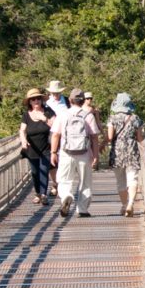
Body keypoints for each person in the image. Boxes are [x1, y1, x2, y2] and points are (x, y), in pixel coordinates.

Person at [50, 88, 100, 218]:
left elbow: (56, 135)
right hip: (84, 153)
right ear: (83, 100)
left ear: (70, 100)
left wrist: (53, 153)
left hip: (66, 153)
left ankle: (66, 195)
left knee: (64, 180)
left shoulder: (63, 114)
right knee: (85, 181)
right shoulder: (88, 115)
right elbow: (94, 137)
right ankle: (82, 209)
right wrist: (96, 155)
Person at [107, 93, 144, 217]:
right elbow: (139, 138)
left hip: (117, 151)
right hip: (132, 149)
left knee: (120, 181)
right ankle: (131, 203)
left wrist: (102, 145)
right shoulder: (135, 118)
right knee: (132, 178)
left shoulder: (112, 118)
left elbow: (110, 137)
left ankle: (124, 205)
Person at [19, 88, 55, 205]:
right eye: (33, 99)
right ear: (29, 102)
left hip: (46, 147)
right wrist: (23, 140)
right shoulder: (26, 115)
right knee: (35, 173)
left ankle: (44, 195)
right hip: (32, 149)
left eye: (38, 98)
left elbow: (55, 126)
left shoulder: (48, 111)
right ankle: (38, 193)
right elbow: (22, 130)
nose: (36, 101)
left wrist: (44, 118)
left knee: (44, 170)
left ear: (41, 100)